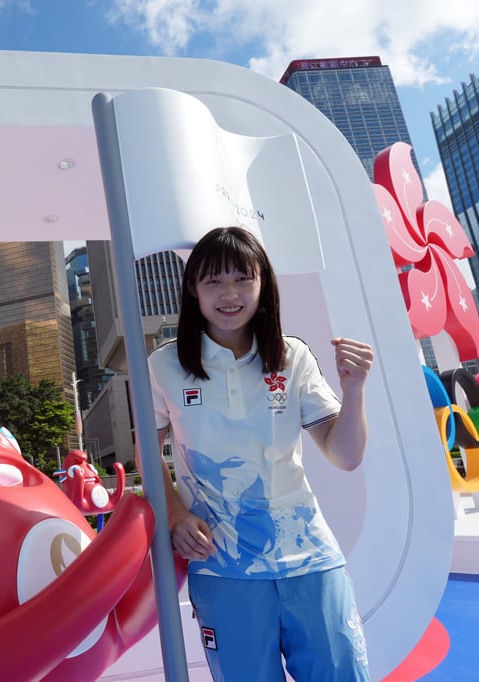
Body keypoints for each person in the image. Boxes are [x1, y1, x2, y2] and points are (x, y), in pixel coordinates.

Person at [147, 226, 374, 681]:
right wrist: (173, 515)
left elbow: (345, 455)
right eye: (213, 281)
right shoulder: (163, 366)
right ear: (193, 289)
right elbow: (148, 454)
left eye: (242, 279)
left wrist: (354, 390)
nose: (229, 294)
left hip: (309, 557)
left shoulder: (292, 358)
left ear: (262, 283)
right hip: (222, 566)